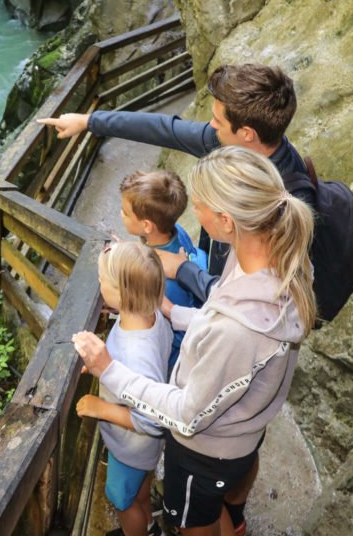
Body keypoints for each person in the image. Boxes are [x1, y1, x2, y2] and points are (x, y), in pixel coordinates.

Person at [73, 147, 317, 536]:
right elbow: (222, 311)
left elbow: (186, 414)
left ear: (225, 220)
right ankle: (234, 521)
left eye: (199, 204)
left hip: (206, 450)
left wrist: (110, 371)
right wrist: (175, 313)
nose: (194, 212)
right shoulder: (267, 259)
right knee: (219, 499)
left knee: (191, 522)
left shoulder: (239, 330)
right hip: (243, 434)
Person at [37, 63, 313, 302]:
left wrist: (184, 270)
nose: (211, 126)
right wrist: (90, 121)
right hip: (209, 265)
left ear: (247, 133)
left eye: (218, 120)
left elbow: (251, 296)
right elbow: (165, 129)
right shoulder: (231, 144)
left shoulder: (284, 200)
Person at [75, 241, 172, 536]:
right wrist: (101, 366)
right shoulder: (149, 316)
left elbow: (152, 420)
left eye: (103, 281)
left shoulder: (136, 352)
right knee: (139, 489)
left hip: (132, 446)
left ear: (122, 294)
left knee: (120, 499)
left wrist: (100, 407)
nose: (99, 284)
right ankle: (150, 525)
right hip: (145, 452)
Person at [118, 170, 202, 370]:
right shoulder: (176, 231)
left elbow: (164, 328)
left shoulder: (158, 281)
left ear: (147, 226)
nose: (120, 214)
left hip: (173, 356)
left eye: (125, 212)